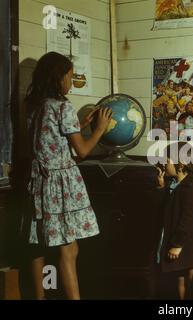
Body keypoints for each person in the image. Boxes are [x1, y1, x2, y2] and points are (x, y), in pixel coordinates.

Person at [24, 51, 112, 300]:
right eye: (70, 77)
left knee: (39, 243)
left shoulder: (34, 104)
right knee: (69, 248)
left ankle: (39, 297)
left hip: (39, 182)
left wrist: (80, 126)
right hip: (61, 185)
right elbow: (82, 151)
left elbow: (48, 139)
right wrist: (100, 129)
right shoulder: (63, 106)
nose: (71, 83)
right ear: (58, 78)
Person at [155, 142, 193, 299]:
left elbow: (188, 219)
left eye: (167, 159)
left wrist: (177, 244)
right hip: (178, 241)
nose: (163, 163)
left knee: (191, 281)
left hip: (186, 243)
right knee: (179, 279)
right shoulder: (176, 185)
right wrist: (161, 187)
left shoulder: (190, 188)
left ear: (180, 164)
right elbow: (167, 209)